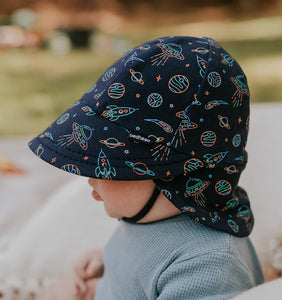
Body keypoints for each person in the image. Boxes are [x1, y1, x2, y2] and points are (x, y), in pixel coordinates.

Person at [29, 36, 264, 300]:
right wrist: (105, 271)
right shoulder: (151, 213)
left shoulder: (209, 267)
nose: (89, 180)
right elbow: (146, 264)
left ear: (171, 176)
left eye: (103, 166)